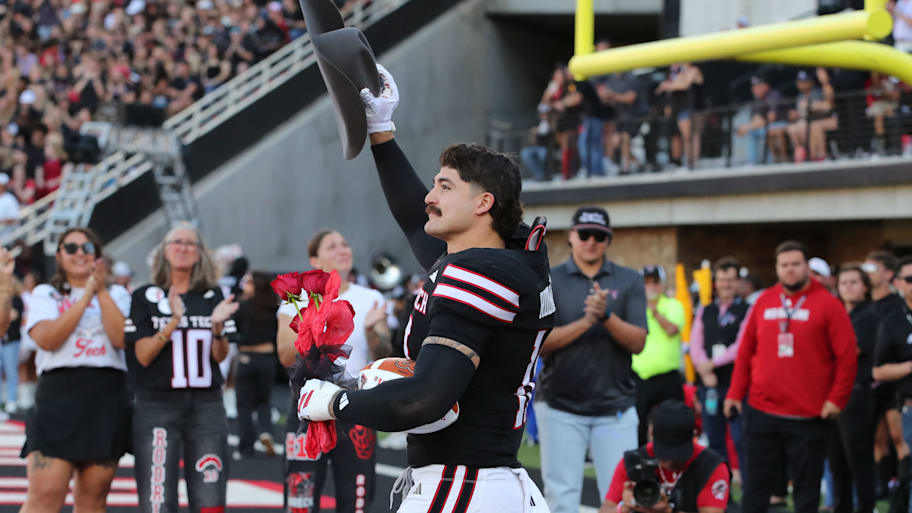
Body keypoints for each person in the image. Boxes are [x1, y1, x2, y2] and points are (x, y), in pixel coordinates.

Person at [296, 64, 555, 511]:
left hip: (465, 482)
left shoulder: (483, 271)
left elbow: (425, 398)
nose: (430, 196)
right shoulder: (497, 257)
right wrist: (380, 130)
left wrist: (337, 401)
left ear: (483, 203)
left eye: (444, 185)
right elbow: (415, 219)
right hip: (482, 480)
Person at [724, 240, 857, 513]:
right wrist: (735, 393)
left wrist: (837, 399)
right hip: (762, 409)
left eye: (796, 264)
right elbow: (746, 350)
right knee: (756, 484)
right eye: (784, 265)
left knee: (806, 488)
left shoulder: (829, 305)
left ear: (807, 266)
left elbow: (847, 357)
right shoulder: (763, 301)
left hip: (809, 414)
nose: (790, 270)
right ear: (777, 268)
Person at [536, 206, 647, 513]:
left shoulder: (629, 280)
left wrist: (606, 316)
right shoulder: (549, 279)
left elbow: (638, 342)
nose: (591, 241)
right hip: (560, 405)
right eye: (584, 234)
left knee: (623, 501)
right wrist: (587, 321)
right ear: (571, 236)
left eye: (599, 236)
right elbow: (539, 344)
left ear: (608, 240)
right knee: (560, 499)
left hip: (616, 409)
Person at [125, 222, 239, 513]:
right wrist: (174, 321)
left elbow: (220, 356)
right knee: (158, 500)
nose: (183, 247)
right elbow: (143, 356)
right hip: (157, 405)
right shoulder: (144, 297)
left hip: (206, 405)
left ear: (200, 253)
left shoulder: (214, 296)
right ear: (164, 251)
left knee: (210, 498)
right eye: (177, 242)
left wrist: (216, 328)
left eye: (191, 243)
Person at [277, 229, 392, 513]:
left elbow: (384, 356)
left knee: (356, 501)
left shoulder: (371, 297)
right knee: (300, 501)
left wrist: (374, 331)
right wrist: (313, 325)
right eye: (332, 247)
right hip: (307, 410)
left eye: (345, 244)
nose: (342, 250)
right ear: (315, 260)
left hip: (357, 407)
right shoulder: (297, 300)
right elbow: (284, 356)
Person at [20, 228, 132, 513]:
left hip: (107, 396)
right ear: (59, 256)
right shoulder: (46, 293)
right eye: (71, 248)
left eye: (87, 247)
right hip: (59, 395)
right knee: (44, 495)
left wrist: (101, 290)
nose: (80, 253)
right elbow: (48, 339)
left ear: (98, 255)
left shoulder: (117, 293)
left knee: (94, 498)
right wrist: (85, 297)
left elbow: (121, 339)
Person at [598, 399, 730, 513]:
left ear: (694, 436)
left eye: (678, 453)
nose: (669, 462)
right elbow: (605, 509)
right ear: (651, 435)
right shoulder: (634, 462)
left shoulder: (711, 467)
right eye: (664, 453)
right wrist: (623, 507)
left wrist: (667, 511)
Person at [689, 257, 748, 477]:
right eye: (722, 280)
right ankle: (721, 487)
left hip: (735, 383)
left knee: (740, 438)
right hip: (709, 385)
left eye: (730, 280)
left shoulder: (747, 309)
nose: (726, 285)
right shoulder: (706, 310)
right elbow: (695, 342)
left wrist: (711, 364)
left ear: (737, 282)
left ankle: (747, 487)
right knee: (714, 438)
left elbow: (740, 346)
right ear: (716, 282)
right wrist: (704, 370)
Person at [826, 264, 878, 513]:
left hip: (857, 394)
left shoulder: (870, 315)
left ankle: (866, 507)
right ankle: (841, 506)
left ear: (865, 286)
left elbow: (850, 351)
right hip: (832, 394)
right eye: (843, 282)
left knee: (858, 459)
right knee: (836, 460)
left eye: (854, 282)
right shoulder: (836, 313)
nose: (848, 286)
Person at [873, 255, 912, 513]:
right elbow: (879, 369)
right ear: (899, 283)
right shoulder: (893, 320)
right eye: (910, 279)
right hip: (908, 404)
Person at [633, 265, 686, 445]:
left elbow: (672, 329)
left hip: (667, 377)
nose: (651, 286)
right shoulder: (635, 306)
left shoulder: (673, 305)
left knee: (674, 425)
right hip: (640, 377)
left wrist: (654, 311)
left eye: (655, 282)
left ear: (661, 284)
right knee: (637, 426)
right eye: (646, 282)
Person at [233, 271, 279, 459]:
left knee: (244, 406)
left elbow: (233, 332)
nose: (245, 284)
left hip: (246, 357)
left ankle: (246, 447)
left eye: (248, 282)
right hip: (267, 358)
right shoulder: (274, 308)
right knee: (264, 401)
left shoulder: (242, 307)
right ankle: (266, 430)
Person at [736, 76, 788, 165]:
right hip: (768, 126)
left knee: (764, 131)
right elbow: (756, 119)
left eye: (758, 86)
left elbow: (772, 118)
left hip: (781, 123)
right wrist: (748, 127)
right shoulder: (758, 100)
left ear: (766, 86)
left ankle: (770, 161)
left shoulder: (773, 95)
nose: (755, 89)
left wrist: (747, 127)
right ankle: (752, 162)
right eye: (754, 87)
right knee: (754, 131)